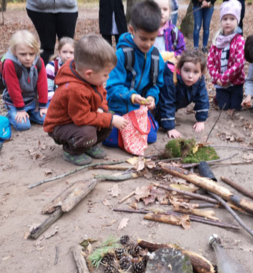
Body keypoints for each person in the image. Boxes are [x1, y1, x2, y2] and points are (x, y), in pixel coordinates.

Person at [43, 35, 127, 166]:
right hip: (61, 125)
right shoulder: (74, 89)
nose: (107, 77)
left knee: (107, 117)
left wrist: (102, 109)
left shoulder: (92, 78)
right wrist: (109, 119)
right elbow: (81, 119)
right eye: (105, 74)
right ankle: (71, 151)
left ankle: (89, 146)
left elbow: (103, 95)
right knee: (89, 131)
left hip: (79, 118)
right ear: (89, 73)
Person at [104, 0, 165, 147]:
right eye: (143, 38)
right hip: (118, 106)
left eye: (152, 39)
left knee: (150, 138)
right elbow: (112, 87)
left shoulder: (156, 57)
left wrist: (151, 97)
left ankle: (145, 121)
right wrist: (131, 96)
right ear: (132, 30)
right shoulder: (121, 55)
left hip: (139, 108)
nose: (148, 44)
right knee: (109, 140)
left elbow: (155, 85)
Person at [156, 49, 209, 139]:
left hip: (178, 99)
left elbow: (202, 98)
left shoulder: (199, 80)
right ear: (180, 69)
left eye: (195, 72)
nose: (190, 76)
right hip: (158, 100)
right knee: (158, 119)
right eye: (187, 70)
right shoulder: (170, 78)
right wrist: (170, 127)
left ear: (201, 73)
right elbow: (167, 101)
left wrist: (201, 120)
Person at [2, 30, 48, 131]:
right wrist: (20, 109)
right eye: (23, 54)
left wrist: (43, 105)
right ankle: (11, 115)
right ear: (14, 52)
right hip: (14, 102)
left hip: (32, 100)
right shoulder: (9, 64)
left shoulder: (39, 61)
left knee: (47, 119)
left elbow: (43, 84)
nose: (28, 58)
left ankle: (30, 114)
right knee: (23, 126)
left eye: (31, 54)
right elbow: (13, 88)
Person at [207, 0, 245, 114]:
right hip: (220, 83)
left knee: (236, 107)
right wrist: (218, 78)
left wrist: (225, 79)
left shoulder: (239, 40)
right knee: (223, 107)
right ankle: (219, 96)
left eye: (232, 19)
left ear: (237, 21)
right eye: (225, 19)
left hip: (235, 82)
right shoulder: (217, 39)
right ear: (221, 21)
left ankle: (232, 98)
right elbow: (210, 61)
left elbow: (239, 63)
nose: (228, 22)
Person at [46, 37, 75, 102]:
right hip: (54, 99)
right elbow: (48, 89)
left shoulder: (78, 67)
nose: (68, 56)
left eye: (71, 52)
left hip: (73, 100)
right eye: (64, 52)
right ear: (59, 53)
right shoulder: (51, 67)